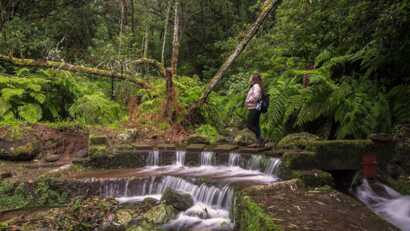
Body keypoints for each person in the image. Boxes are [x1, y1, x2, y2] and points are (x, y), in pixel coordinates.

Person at [245, 73, 264, 147]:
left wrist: (249, 100)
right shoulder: (257, 86)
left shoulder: (256, 86)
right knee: (256, 124)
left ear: (254, 79)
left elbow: (256, 96)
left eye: (250, 78)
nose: (249, 79)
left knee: (249, 125)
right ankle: (259, 142)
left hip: (254, 108)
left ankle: (260, 138)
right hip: (256, 108)